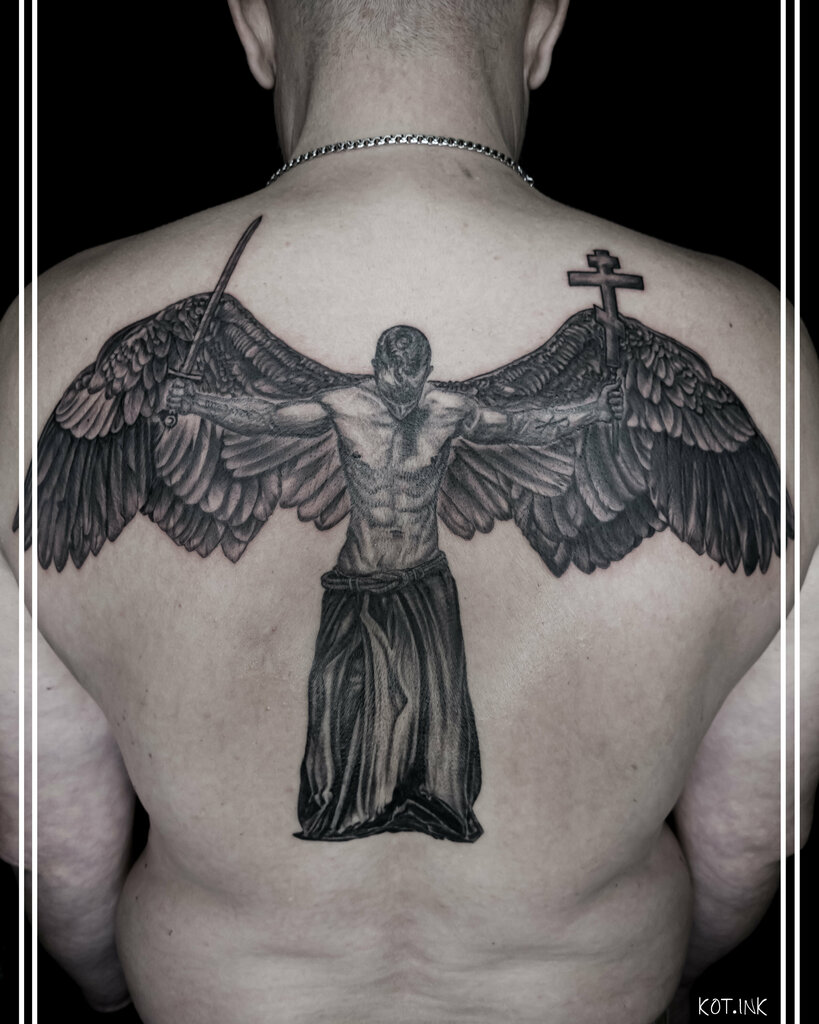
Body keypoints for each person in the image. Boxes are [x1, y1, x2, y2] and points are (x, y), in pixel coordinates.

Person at [0, 3, 815, 1024]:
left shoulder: (46, 336)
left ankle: (422, 801)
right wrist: (683, 972)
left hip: (238, 996)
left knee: (422, 712)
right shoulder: (762, 344)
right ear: (542, 29)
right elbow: (753, 821)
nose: (396, 374)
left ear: (255, 27)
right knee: (359, 708)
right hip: (573, 992)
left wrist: (105, 989)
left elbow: (54, 827)